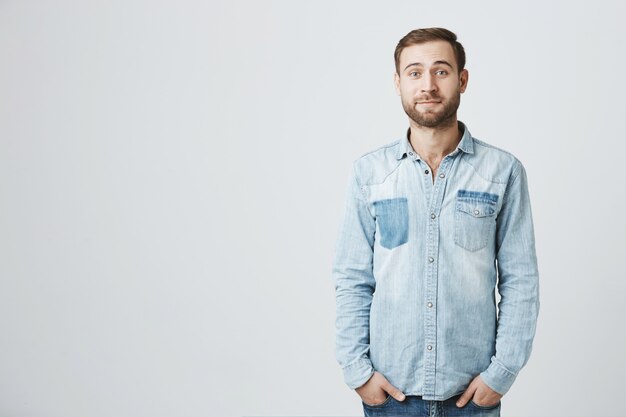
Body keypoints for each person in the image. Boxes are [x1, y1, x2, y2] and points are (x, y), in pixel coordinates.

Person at [332, 27, 540, 417]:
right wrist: (357, 372)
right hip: (391, 395)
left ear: (462, 79)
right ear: (398, 83)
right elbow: (352, 278)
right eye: (414, 72)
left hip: (471, 396)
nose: (427, 84)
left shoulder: (502, 171)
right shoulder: (369, 174)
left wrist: (502, 373)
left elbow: (521, 280)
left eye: (441, 71)